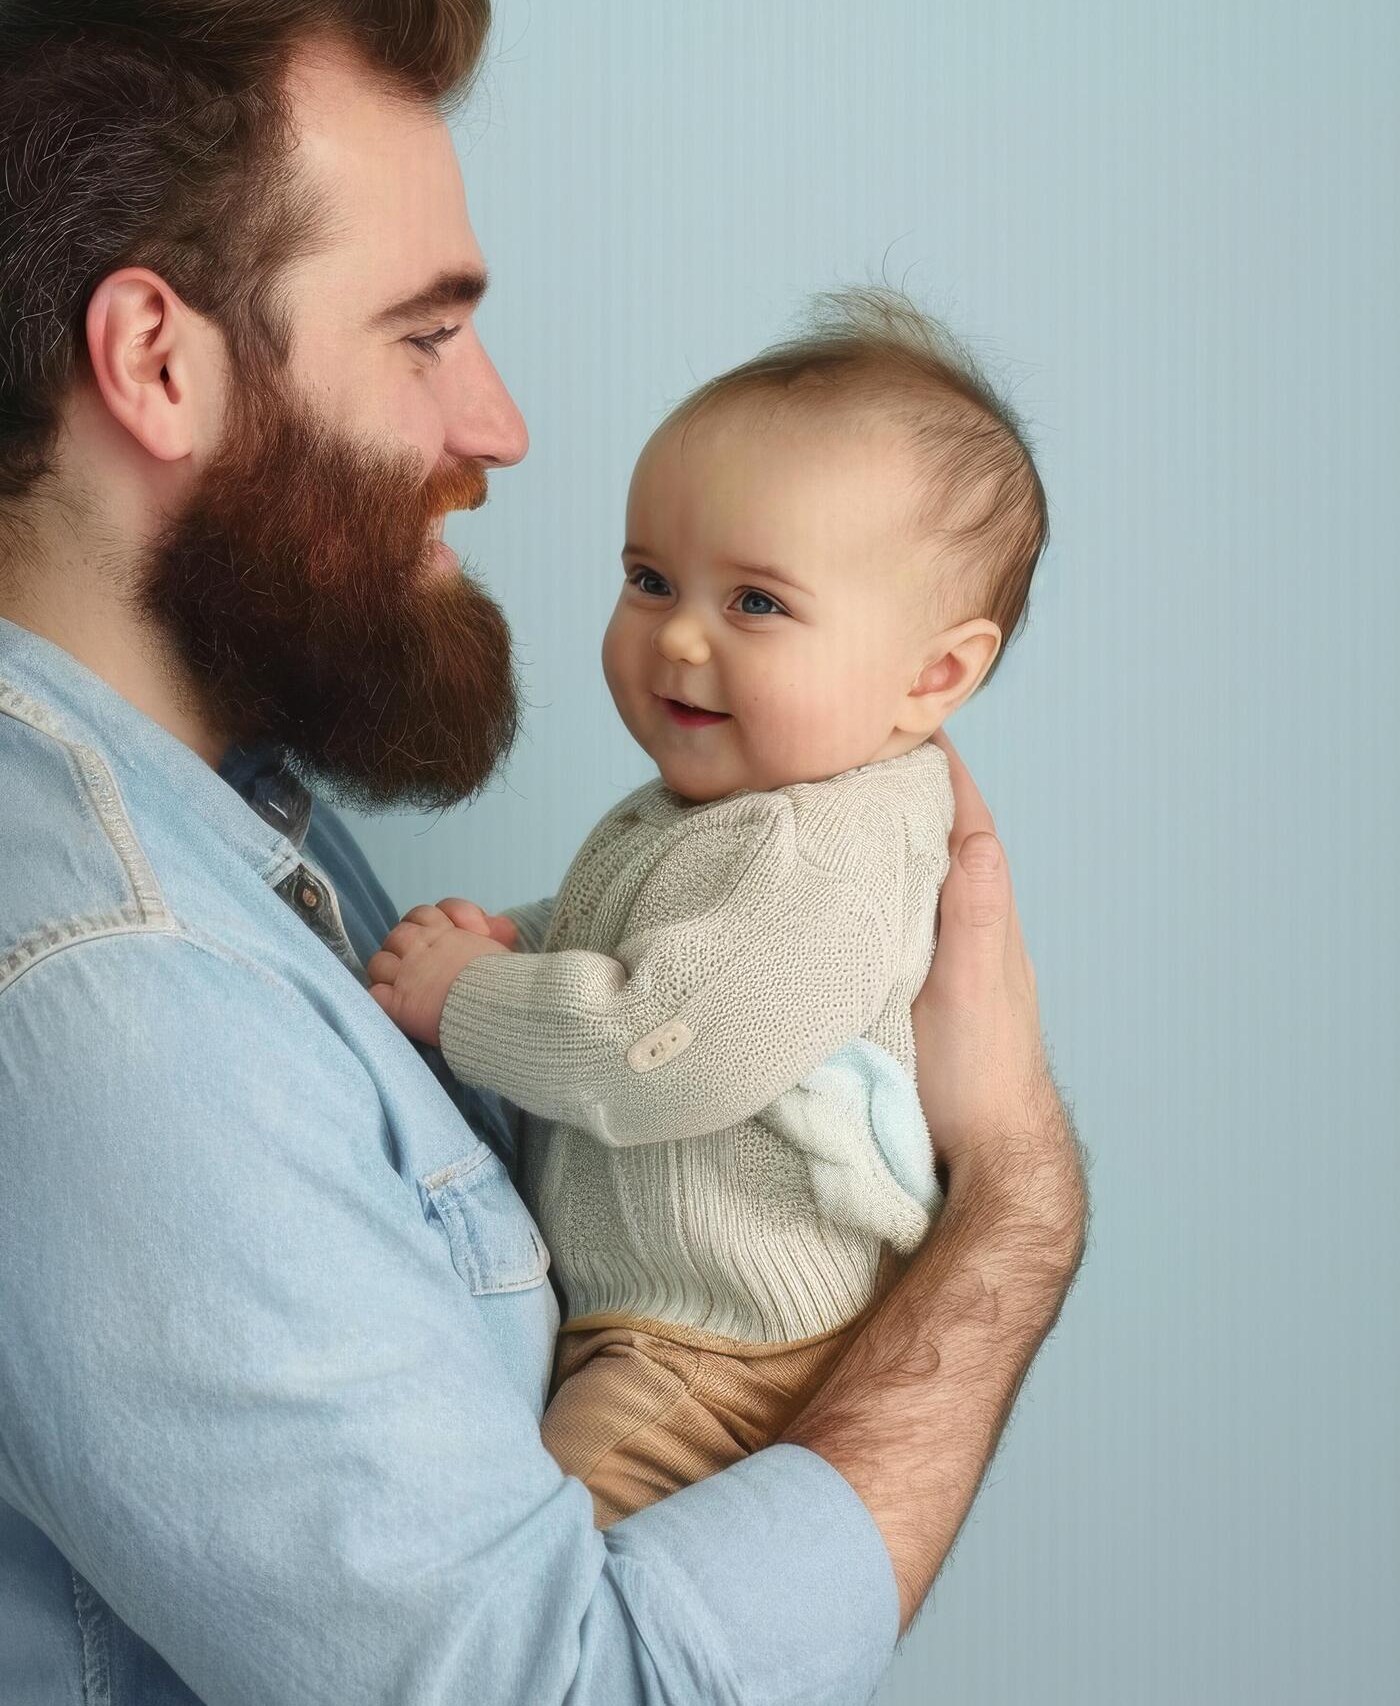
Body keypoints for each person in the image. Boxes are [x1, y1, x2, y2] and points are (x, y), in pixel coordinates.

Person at [0, 0, 1088, 1705]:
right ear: (158, 362)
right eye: (426, 332)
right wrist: (1014, 1216)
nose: (502, 424)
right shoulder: (95, 999)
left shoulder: (213, 834)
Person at [366, 291, 1049, 1526]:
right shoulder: (743, 803)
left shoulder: (832, 844)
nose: (679, 638)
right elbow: (657, 938)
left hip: (719, 1357)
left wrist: (468, 994)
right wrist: (527, 936)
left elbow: (665, 1040)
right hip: (661, 1327)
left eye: (755, 604)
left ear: (934, 674)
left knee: (529, 1573)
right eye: (649, 578)